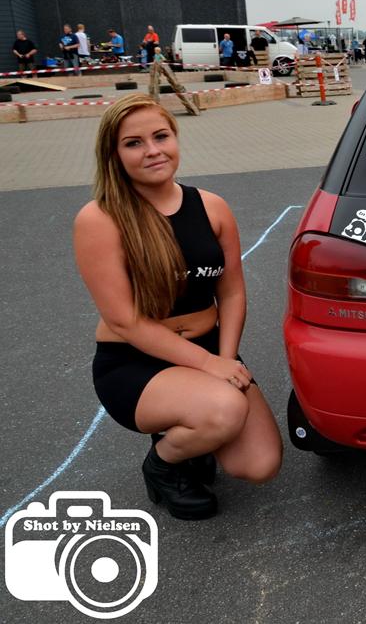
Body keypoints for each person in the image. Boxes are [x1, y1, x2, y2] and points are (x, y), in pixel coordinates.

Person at [73, 94, 282, 519]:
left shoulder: (211, 206)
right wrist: (209, 367)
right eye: (133, 143)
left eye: (161, 136)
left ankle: (195, 429)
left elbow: (231, 293)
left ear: (175, 138)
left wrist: (225, 361)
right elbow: (124, 321)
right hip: (134, 361)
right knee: (224, 411)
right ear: (114, 154)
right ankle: (164, 464)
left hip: (209, 350)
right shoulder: (100, 219)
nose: (152, 150)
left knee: (259, 464)